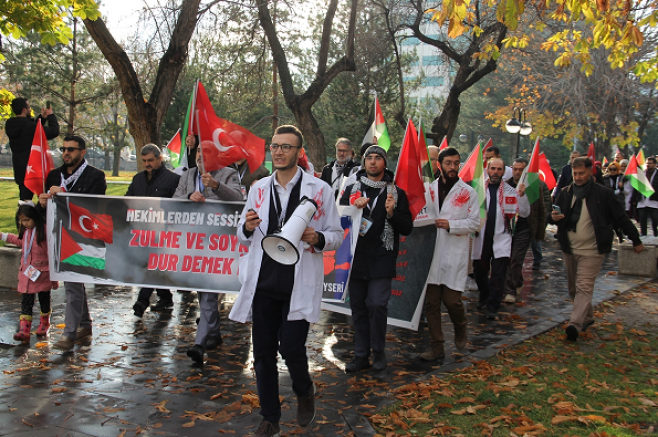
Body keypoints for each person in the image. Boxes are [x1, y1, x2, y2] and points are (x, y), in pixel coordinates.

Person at [229, 125, 342, 436]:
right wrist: (247, 227)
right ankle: (270, 418)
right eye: (275, 146)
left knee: (291, 348)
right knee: (263, 354)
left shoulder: (320, 190)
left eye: (286, 147)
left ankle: (304, 389)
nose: (278, 152)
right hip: (264, 282)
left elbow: (336, 235)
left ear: (299, 152)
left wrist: (318, 237)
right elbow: (241, 232)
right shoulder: (258, 188)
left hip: (298, 283)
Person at [548, 157, 643, 341]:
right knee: (573, 289)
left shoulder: (604, 194)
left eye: (581, 173)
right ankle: (588, 317)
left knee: (583, 286)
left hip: (593, 250)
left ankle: (575, 324)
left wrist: (635, 239)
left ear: (590, 172)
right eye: (575, 173)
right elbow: (552, 218)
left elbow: (621, 218)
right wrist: (553, 218)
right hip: (570, 248)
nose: (578, 177)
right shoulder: (566, 193)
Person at [339, 145, 413, 372]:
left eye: (377, 158)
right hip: (355, 257)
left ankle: (378, 350)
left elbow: (407, 228)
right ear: (363, 162)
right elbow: (338, 220)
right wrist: (353, 208)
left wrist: (392, 213)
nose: (373, 162)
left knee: (377, 304)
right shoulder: (351, 189)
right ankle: (361, 355)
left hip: (382, 256)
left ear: (384, 163)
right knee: (359, 308)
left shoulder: (396, 192)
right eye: (369, 158)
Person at [38, 135, 106, 351]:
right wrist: (42, 203)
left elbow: (95, 207)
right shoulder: (53, 175)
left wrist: (66, 195)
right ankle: (84, 325)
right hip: (58, 236)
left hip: (82, 239)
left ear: (82, 152)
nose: (66, 153)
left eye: (71, 149)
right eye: (63, 149)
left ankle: (69, 334)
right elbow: (46, 210)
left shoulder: (96, 176)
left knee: (72, 284)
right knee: (74, 282)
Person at [175, 152, 243, 364]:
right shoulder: (187, 175)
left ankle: (200, 343)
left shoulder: (228, 174)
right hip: (192, 242)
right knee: (203, 290)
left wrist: (215, 186)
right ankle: (213, 332)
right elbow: (174, 199)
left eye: (206, 152)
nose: (200, 156)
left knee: (208, 290)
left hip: (217, 243)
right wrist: (189, 196)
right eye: (198, 152)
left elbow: (238, 198)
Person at [420, 147, 479, 361]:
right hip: (432, 253)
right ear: (440, 165)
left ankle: (460, 326)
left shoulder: (468, 193)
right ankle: (437, 347)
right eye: (448, 163)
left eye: (456, 163)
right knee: (431, 304)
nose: (453, 167)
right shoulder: (429, 190)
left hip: (454, 252)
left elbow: (475, 223)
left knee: (452, 301)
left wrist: (451, 225)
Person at [126, 144, 181, 317]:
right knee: (151, 264)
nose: (147, 164)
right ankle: (165, 297)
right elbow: (127, 200)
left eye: (150, 160)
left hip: (163, 232)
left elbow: (179, 206)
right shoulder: (138, 179)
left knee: (154, 262)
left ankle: (142, 300)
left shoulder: (173, 179)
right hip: (141, 232)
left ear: (160, 158)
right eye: (144, 161)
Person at [472, 158, 530, 320]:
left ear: (504, 171)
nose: (496, 172)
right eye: (493, 169)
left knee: (498, 274)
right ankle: (484, 294)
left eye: (499, 169)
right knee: (479, 271)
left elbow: (525, 212)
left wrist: (522, 196)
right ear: (487, 170)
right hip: (481, 237)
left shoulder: (511, 191)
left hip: (502, 237)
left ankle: (493, 306)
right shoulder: (477, 189)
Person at [1, 204, 58, 343]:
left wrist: (54, 277)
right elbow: (20, 241)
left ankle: (44, 324)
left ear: (35, 217)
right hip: (27, 274)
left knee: (44, 299)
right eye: (21, 220)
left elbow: (52, 253)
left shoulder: (44, 232)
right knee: (26, 301)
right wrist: (4, 236)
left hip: (42, 274)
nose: (24, 223)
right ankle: (24, 330)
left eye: (27, 220)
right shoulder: (26, 231)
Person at [503, 159, 546, 303]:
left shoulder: (534, 187)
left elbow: (541, 210)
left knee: (516, 258)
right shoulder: (505, 185)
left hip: (524, 228)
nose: (517, 172)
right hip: (508, 227)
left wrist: (540, 232)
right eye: (515, 169)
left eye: (521, 169)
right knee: (508, 258)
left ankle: (510, 291)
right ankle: (518, 281)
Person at [5, 98, 60, 202]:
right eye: (28, 107)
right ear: (24, 110)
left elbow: (30, 130)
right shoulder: (29, 127)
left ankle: (24, 213)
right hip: (35, 169)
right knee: (45, 199)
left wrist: (42, 118)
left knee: (25, 200)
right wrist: (51, 116)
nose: (30, 110)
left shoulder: (10, 124)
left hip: (21, 169)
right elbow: (53, 131)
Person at [636, 157, 658, 236]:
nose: (648, 165)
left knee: (655, 219)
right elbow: (636, 187)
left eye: (650, 163)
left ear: (655, 164)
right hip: (642, 201)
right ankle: (644, 234)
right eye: (647, 163)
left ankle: (656, 234)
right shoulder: (641, 174)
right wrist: (634, 199)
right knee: (642, 218)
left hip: (654, 201)